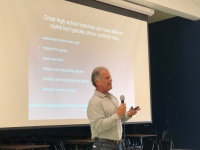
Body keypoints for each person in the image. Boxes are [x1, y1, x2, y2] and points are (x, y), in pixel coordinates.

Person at [87, 66, 140, 150]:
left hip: (118, 145)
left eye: (110, 77)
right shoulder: (95, 102)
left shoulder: (112, 98)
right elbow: (98, 126)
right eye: (107, 78)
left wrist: (128, 114)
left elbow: (118, 119)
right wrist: (118, 114)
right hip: (103, 146)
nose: (111, 79)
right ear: (97, 82)